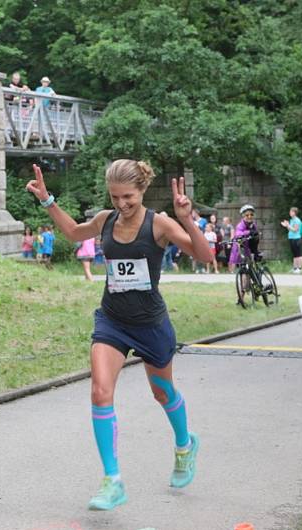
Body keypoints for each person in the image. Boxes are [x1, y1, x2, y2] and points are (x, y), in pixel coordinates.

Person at [25, 159, 211, 511]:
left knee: (162, 392)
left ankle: (185, 445)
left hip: (150, 324)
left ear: (142, 190)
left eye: (128, 197)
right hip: (112, 320)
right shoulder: (105, 220)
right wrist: (48, 200)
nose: (122, 204)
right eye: (115, 197)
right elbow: (73, 233)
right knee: (99, 391)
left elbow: (204, 254)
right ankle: (113, 481)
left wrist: (186, 217)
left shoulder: (159, 224)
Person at [280, 207, 302, 274]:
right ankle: (295, 268)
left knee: (299, 254)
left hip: (296, 238)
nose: (290, 213)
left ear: (295, 213)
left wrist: (288, 225)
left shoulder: (297, 220)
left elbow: (295, 230)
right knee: (294, 254)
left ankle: (299, 268)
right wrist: (286, 226)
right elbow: (290, 229)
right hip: (291, 238)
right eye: (290, 211)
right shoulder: (291, 220)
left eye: (291, 212)